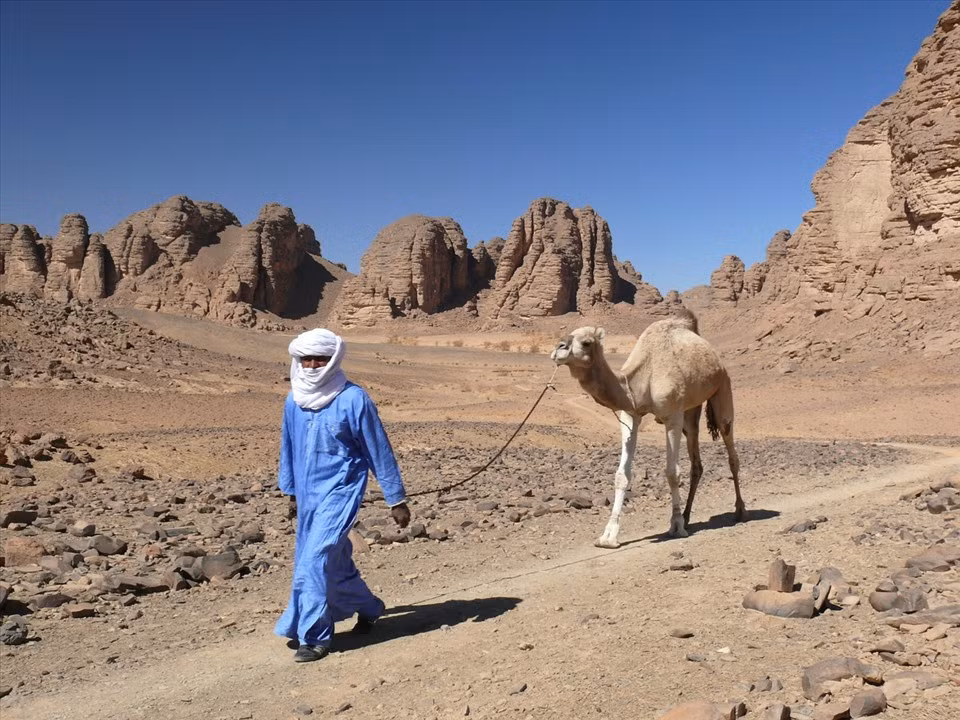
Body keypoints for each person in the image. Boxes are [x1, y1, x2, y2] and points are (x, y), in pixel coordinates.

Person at [275, 328, 410, 663]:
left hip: (341, 491)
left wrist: (396, 498)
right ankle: (370, 608)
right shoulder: (294, 399)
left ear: (333, 359)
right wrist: (290, 491)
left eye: (320, 358)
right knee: (333, 563)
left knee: (314, 560)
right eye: (306, 359)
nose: (312, 365)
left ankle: (315, 637)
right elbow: (288, 447)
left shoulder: (354, 399)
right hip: (308, 496)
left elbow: (378, 449)